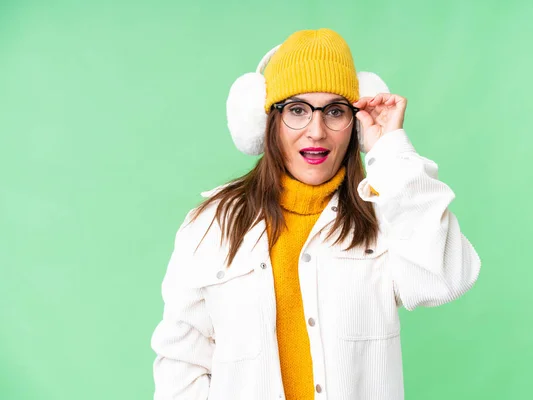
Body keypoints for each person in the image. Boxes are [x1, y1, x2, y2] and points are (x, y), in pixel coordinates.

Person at [151, 28, 481, 400]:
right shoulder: (211, 224)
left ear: (354, 122)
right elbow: (182, 361)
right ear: (267, 121)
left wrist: (391, 151)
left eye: (335, 111)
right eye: (297, 110)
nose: (316, 131)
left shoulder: (383, 215)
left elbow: (447, 277)